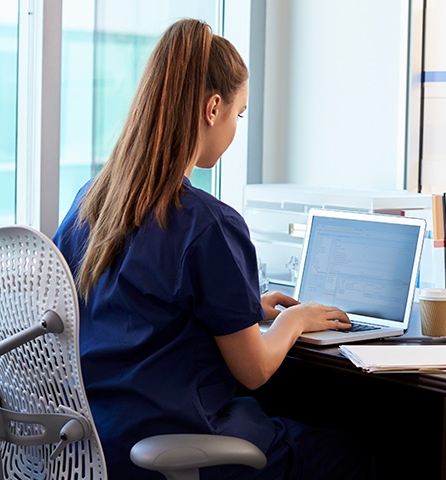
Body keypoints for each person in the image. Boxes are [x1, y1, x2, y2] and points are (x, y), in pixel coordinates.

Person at [53, 18, 376, 480]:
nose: (236, 127)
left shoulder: (92, 201)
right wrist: (294, 319)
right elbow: (255, 370)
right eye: (239, 114)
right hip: (173, 448)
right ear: (212, 108)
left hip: (94, 447)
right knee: (352, 456)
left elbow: (136, 313)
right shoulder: (209, 225)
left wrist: (246, 311)